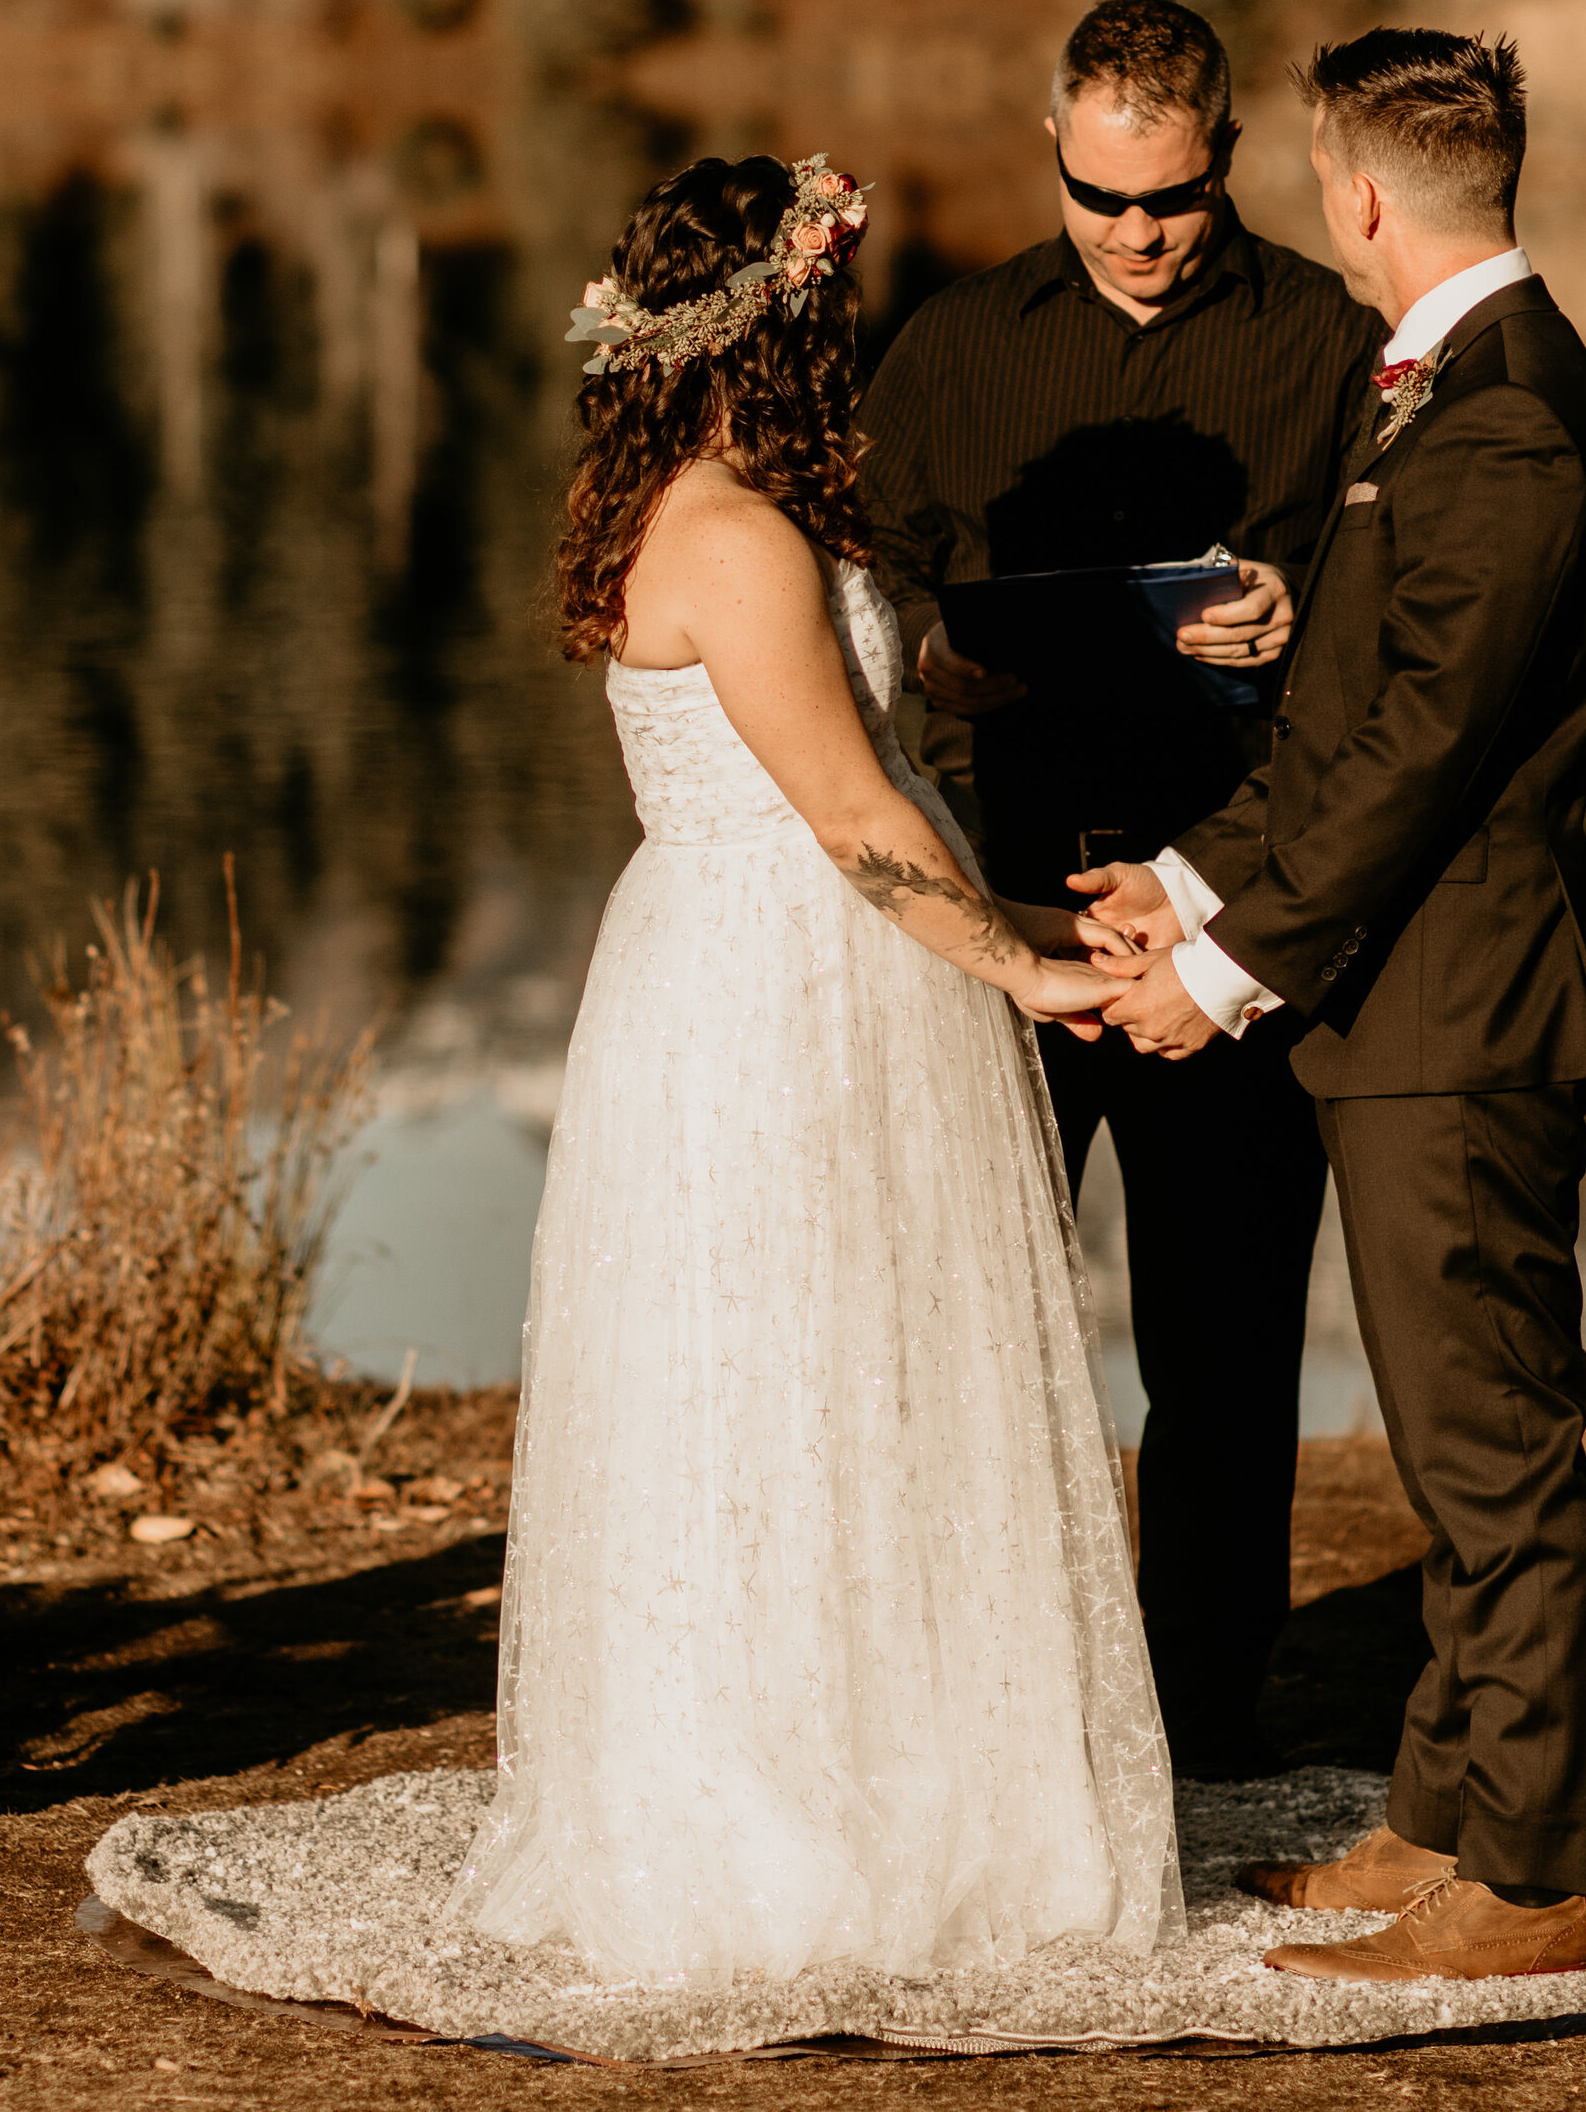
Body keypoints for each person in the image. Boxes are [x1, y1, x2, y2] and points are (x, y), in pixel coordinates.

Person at [450, 150, 1179, 1990]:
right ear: (780, 329)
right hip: (779, 999)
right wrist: (1021, 968)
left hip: (790, 963)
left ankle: (867, 1765)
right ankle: (795, 1819)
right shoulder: (738, 536)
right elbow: (848, 813)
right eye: (829, 309)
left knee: (835, 1369)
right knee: (800, 1365)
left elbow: (866, 790)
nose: (850, 337)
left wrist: (1020, 899)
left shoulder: (698, 507)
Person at [1082, 28, 1586, 1990]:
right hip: (1407, 1003)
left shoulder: (1504, 420)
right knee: (1443, 1440)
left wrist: (1219, 977)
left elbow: (1420, 754)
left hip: (1462, 1015)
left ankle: (1528, 1880)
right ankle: (1442, 1814)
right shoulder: (1447, 391)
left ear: (1357, 195)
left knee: (1492, 1449)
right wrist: (1174, 877)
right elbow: (1343, 724)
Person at [859, 0, 1381, 1777]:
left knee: (1223, 1348)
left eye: (1170, 199)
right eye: (1100, 198)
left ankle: (1207, 1726)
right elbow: (874, 573)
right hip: (999, 903)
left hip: (1228, 910)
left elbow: (1395, 609)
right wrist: (935, 649)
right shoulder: (952, 343)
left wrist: (1301, 610)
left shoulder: (1327, 338)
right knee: (962, 1316)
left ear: (1224, 160)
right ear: (1058, 160)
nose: (1138, 234)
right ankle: (968, 1699)